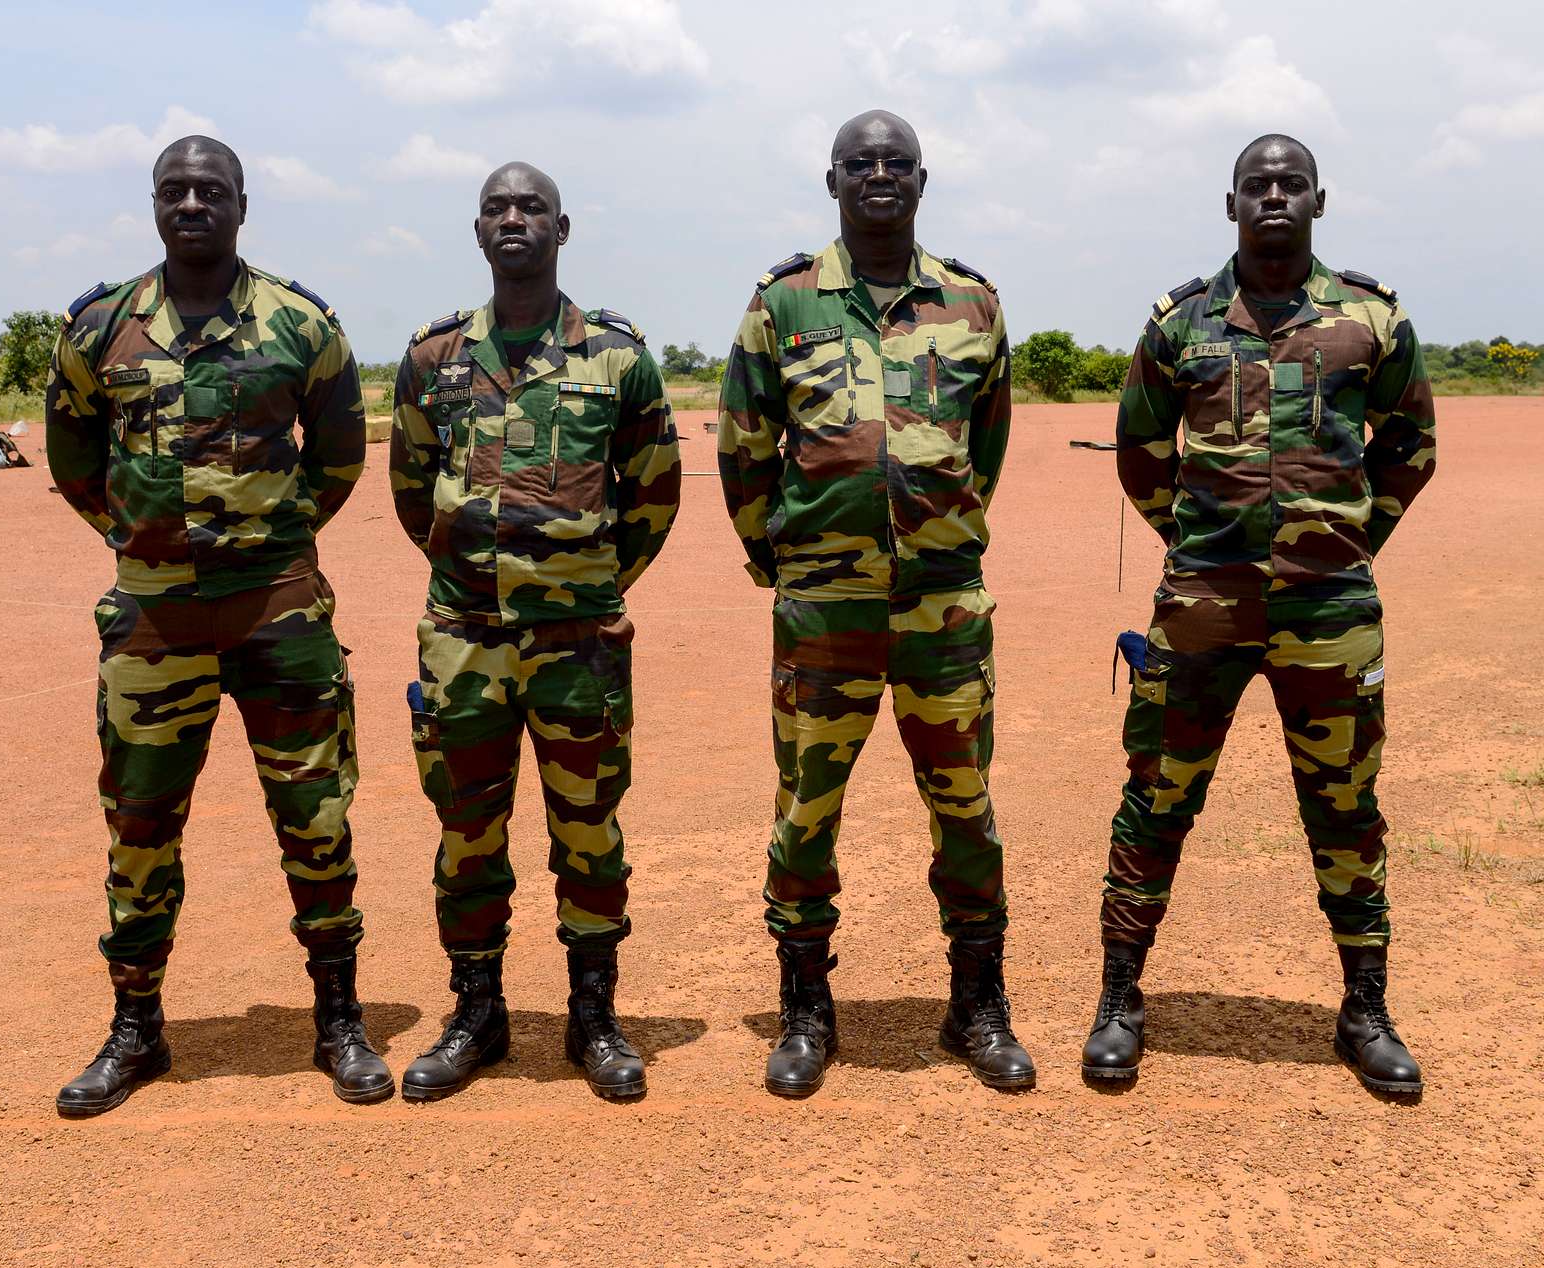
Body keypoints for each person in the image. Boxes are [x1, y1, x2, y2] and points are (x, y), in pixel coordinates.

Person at [1083, 134, 1437, 1096]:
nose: (1273, 196)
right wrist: (1199, 545)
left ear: (1319, 199)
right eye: (1256, 185)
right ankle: (1120, 996)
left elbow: (1411, 445)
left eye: (1290, 184)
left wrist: (1352, 544)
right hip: (1203, 606)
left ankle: (1364, 1007)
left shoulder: (1369, 318)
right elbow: (1140, 452)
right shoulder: (1182, 323)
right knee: (1157, 794)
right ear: (1229, 202)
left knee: (1345, 806)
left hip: (1331, 612)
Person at [47, 136, 389, 1115]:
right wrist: (140, 537)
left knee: (315, 815)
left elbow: (336, 457)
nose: (192, 201)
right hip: (154, 620)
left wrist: (266, 541)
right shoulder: (99, 326)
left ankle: (338, 1016)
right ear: (154, 205)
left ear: (243, 203)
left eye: (211, 189)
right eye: (175, 190)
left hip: (280, 613)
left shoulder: (299, 323)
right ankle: (135, 1026)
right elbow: (76, 460)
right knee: (141, 823)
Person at [717, 110, 1032, 1098]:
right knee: (806, 813)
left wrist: (935, 532)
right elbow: (741, 447)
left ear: (922, 180)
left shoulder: (973, 306)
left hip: (941, 606)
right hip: (824, 609)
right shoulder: (785, 304)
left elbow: (985, 445)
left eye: (896, 163)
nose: (879, 175)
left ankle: (976, 1001)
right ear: (833, 181)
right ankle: (806, 1006)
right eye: (862, 163)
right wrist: (792, 558)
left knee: (966, 810)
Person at [391, 162, 681, 1102]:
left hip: (581, 644)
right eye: (496, 209)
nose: (513, 219)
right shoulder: (434, 358)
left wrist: (586, 581)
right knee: (466, 831)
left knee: (589, 830)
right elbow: (410, 490)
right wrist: (473, 569)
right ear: (477, 231)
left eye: (532, 208)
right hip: (463, 638)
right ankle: (477, 1014)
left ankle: (594, 1017)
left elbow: (655, 493)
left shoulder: (616, 357)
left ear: (564, 228)